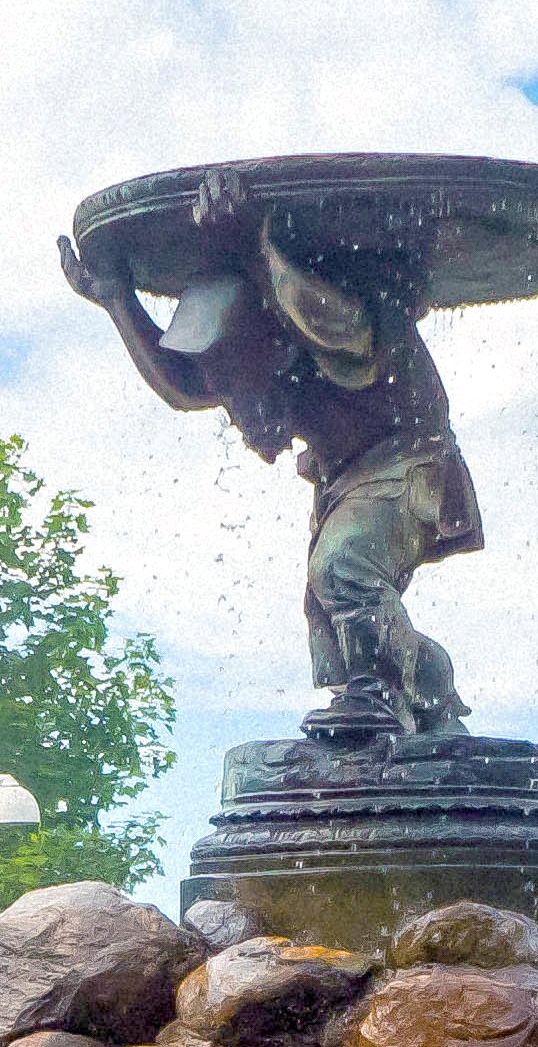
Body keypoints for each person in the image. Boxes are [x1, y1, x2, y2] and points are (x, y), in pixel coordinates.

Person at [65, 168, 485, 743]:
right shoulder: (251, 355)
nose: (218, 382)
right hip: (344, 479)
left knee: (344, 570)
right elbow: (184, 385)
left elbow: (327, 325)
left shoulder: (344, 321)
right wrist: (117, 300)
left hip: (410, 462)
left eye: (223, 363)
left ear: (262, 336)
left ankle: (375, 697)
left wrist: (252, 244)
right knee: (327, 607)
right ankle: (423, 699)